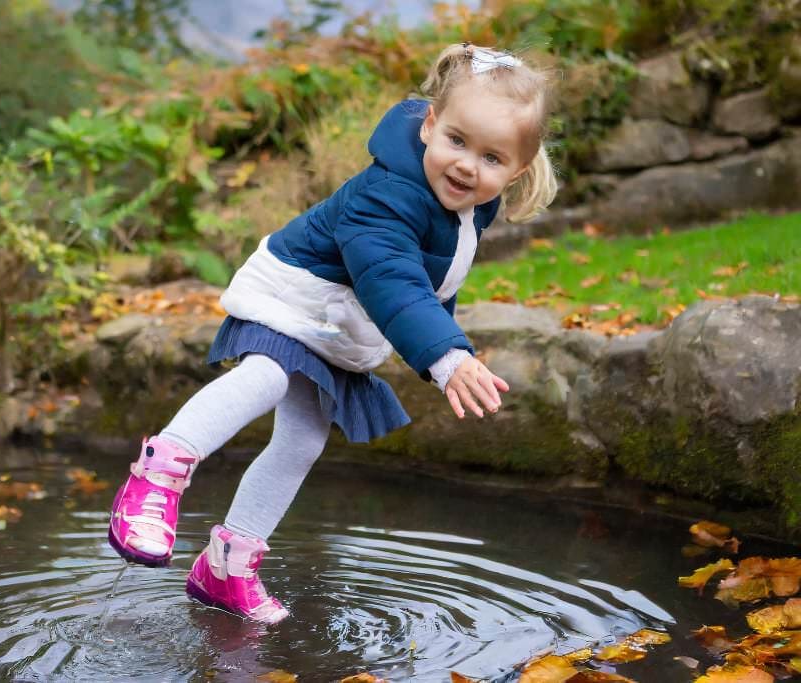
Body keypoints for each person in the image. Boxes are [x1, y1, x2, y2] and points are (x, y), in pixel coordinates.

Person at [107, 42, 558, 624]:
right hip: (293, 298)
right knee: (267, 376)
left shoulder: (467, 207)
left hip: (332, 322)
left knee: (302, 441)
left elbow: (429, 283)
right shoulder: (386, 196)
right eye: (456, 140)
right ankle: (158, 476)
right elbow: (391, 280)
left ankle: (226, 567)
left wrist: (442, 337)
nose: (468, 165)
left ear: (517, 170)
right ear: (429, 125)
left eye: (491, 157)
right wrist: (446, 355)